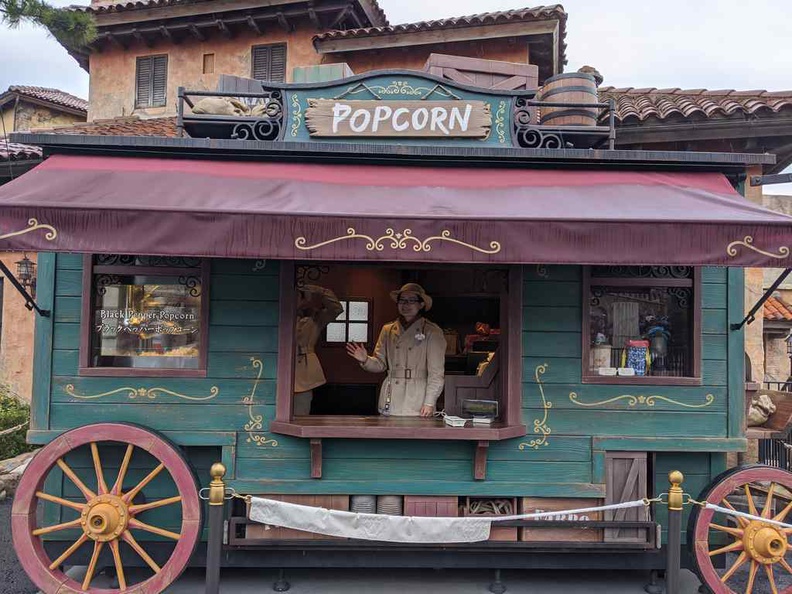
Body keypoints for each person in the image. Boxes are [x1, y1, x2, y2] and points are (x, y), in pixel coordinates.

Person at [346, 283, 445, 417]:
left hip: (417, 400)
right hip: (391, 395)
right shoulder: (388, 330)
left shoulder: (432, 331)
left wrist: (429, 402)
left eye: (411, 301)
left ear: (421, 305)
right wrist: (365, 360)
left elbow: (436, 373)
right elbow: (380, 364)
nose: (406, 305)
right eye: (402, 300)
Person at [294, 284, 343, 415]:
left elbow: (336, 309)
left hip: (304, 369)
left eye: (297, 295)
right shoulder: (279, 314)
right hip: (280, 368)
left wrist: (321, 291)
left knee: (301, 412)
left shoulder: (315, 316)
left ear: (303, 298)